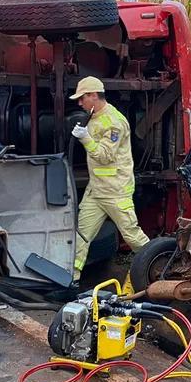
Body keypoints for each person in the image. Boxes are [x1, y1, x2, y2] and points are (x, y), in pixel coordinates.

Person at [70, 76, 150, 283]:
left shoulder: (114, 122)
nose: (80, 103)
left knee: (133, 236)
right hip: (96, 192)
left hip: (116, 191)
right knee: (81, 236)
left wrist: (85, 138)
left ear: (93, 95)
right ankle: (71, 279)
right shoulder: (94, 117)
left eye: (82, 98)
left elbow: (105, 156)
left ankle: (158, 270)